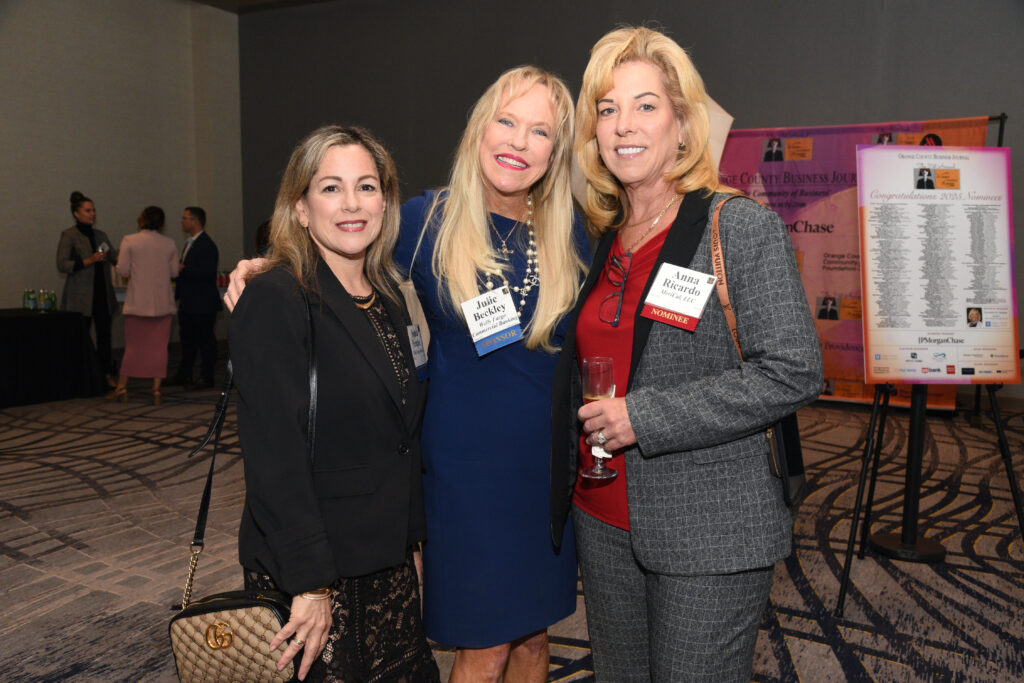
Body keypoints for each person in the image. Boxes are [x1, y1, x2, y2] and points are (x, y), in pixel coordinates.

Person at [226, 66, 586, 682]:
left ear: (556, 151)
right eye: (506, 121)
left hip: (546, 467)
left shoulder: (571, 227)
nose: (518, 142)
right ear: (479, 129)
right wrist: (269, 265)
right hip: (466, 475)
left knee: (534, 637)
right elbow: (343, 245)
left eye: (540, 132)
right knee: (486, 645)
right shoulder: (427, 220)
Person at [551, 27, 823, 682]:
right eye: (608, 109)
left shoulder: (738, 226)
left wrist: (643, 417)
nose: (624, 125)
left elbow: (793, 370)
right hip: (603, 519)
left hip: (710, 527)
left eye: (645, 105)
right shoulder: (604, 238)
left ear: (681, 125)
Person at [230, 125, 439, 682]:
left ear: (385, 203)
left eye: (366, 186)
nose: (352, 204)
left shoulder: (387, 297)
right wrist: (310, 583)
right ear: (300, 208)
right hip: (318, 571)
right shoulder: (276, 297)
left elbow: (402, 436)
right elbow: (274, 456)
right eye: (331, 188)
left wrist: (412, 540)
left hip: (386, 562)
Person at [109, 206, 179, 404]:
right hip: (163, 304)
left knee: (133, 347)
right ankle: (156, 389)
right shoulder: (169, 243)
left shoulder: (129, 240)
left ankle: (122, 387)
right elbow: (174, 272)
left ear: (142, 219)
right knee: (160, 348)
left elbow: (122, 270)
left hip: (138, 303)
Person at [56, 191, 118, 385]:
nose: (93, 214)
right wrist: (89, 260)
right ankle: (81, 376)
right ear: (76, 214)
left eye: (94, 210)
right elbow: (62, 264)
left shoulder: (100, 235)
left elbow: (114, 258)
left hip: (102, 293)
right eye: (88, 211)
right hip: (80, 296)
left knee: (105, 336)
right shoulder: (70, 235)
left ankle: (106, 374)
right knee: (80, 337)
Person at [172, 206, 221, 389]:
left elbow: (208, 273)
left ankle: (206, 377)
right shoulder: (189, 243)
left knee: (205, 341)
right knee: (187, 341)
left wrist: (184, 269)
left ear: (195, 221)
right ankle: (185, 374)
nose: (181, 221)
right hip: (189, 301)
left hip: (202, 302)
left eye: (185, 218)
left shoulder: (207, 245)